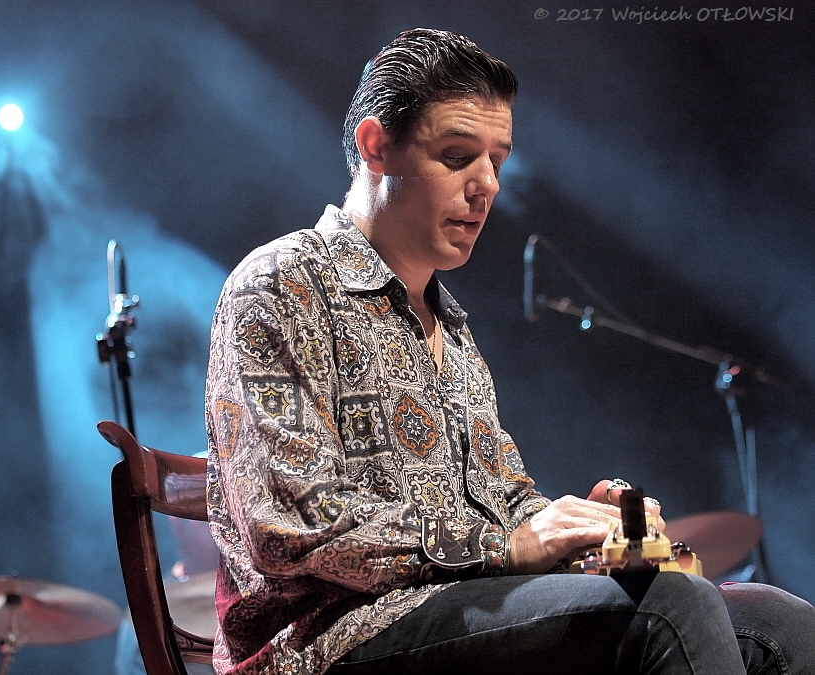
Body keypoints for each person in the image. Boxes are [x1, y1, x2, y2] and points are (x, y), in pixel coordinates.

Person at [205, 27, 815, 675]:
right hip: (328, 639)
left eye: (496, 161)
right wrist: (508, 545)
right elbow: (288, 526)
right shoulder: (281, 282)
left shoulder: (450, 323)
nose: (487, 185)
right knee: (669, 608)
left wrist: (591, 530)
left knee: (778, 619)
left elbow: (503, 504)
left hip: (457, 608)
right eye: (457, 156)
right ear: (376, 146)